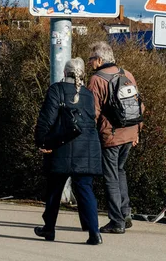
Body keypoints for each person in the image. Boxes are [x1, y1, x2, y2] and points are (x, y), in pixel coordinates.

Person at [34, 57, 103, 245]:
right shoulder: (89, 95)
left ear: (65, 73)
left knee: (54, 190)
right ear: (82, 74)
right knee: (85, 190)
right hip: (88, 148)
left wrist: (41, 141)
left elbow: (47, 118)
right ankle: (94, 232)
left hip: (62, 146)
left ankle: (49, 229)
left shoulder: (57, 90)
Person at [88, 41, 142, 234]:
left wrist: (87, 136)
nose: (89, 63)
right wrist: (137, 131)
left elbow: (92, 112)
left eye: (91, 59)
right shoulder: (127, 74)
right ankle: (125, 213)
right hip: (130, 132)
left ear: (100, 59)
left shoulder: (97, 79)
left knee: (110, 176)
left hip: (111, 135)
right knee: (120, 171)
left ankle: (116, 221)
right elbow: (138, 106)